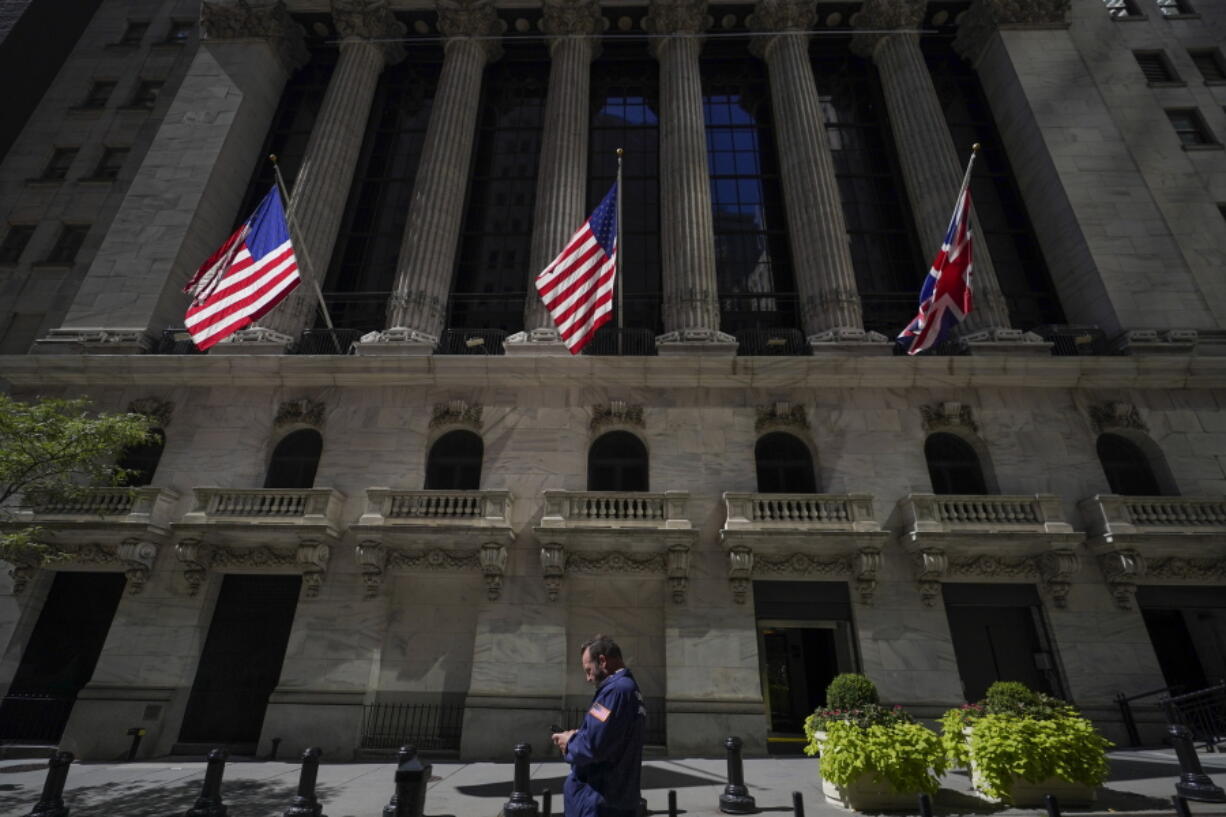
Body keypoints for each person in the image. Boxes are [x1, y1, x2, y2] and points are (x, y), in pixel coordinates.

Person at [552, 634, 646, 817]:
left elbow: (593, 746)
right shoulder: (629, 690)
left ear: (602, 661)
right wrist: (580, 734)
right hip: (615, 797)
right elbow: (609, 736)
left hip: (599, 799)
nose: (588, 678)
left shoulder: (616, 691)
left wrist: (569, 742)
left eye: (588, 670)